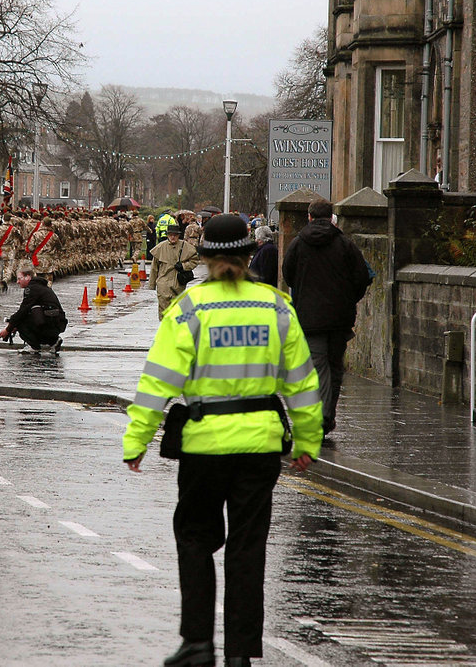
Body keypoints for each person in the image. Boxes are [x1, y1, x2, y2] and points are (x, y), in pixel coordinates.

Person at [122, 213, 323, 667]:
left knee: (194, 537)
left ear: (206, 257)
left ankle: (197, 642)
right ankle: (240, 653)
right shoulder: (275, 307)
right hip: (261, 447)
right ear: (250, 254)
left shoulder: (189, 309)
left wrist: (136, 441)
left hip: (203, 445)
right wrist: (307, 440)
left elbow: (157, 382)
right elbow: (303, 384)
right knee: (247, 547)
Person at [281, 199, 371, 437]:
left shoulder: (298, 244)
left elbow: (288, 275)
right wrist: (349, 299)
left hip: (310, 318)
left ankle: (321, 418)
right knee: (334, 367)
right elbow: (361, 277)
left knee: (317, 366)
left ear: (309, 217)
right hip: (340, 318)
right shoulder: (345, 244)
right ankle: (327, 415)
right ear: (331, 217)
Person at [0, 265, 66, 353]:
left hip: (52, 323)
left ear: (28, 277)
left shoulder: (32, 289)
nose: (17, 282)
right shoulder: (39, 286)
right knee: (27, 315)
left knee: (20, 320)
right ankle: (53, 341)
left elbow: (22, 311)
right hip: (57, 321)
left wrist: (8, 328)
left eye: (19, 278)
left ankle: (34, 346)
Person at [148, 224, 198, 320]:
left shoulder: (186, 247)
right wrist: (152, 284)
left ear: (178, 235)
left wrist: (184, 266)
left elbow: (194, 261)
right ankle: (165, 329)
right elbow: (154, 268)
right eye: (171, 235)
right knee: (164, 310)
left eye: (175, 235)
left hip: (178, 283)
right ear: (167, 235)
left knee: (177, 310)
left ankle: (174, 329)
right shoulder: (160, 248)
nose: (173, 237)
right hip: (163, 283)